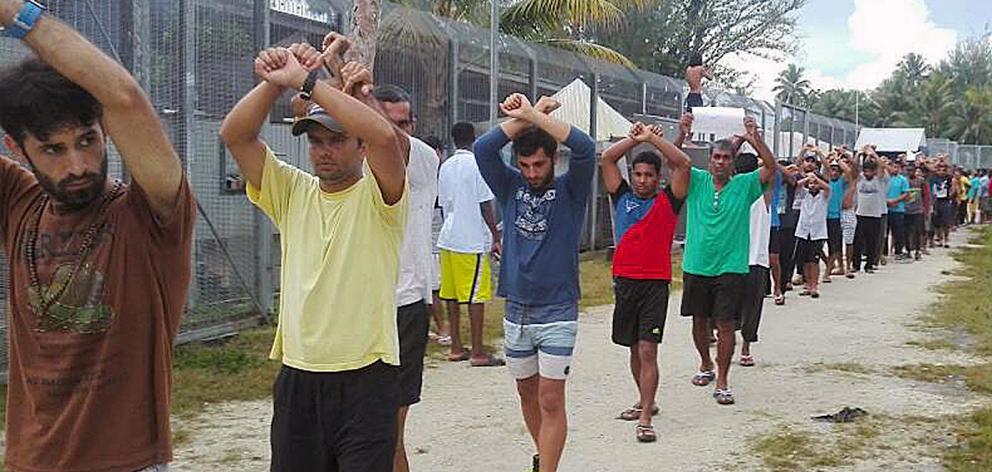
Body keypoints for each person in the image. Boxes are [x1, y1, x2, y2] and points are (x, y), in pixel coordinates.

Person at [0, 2, 195, 471]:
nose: (77, 166)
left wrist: (17, 14)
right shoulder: (17, 202)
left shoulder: (151, 214)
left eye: (87, 139)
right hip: (31, 461)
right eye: (52, 149)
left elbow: (125, 98)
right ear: (15, 148)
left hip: (126, 463)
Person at [220, 41, 408, 471]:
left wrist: (308, 81)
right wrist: (275, 81)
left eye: (337, 140)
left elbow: (383, 136)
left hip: (366, 376)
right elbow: (236, 135)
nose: (324, 150)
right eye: (316, 140)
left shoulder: (380, 198)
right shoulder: (293, 192)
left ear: (359, 148)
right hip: (299, 374)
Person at [475, 93, 595, 472]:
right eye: (524, 165)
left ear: (552, 160)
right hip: (516, 309)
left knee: (549, 398)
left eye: (538, 165)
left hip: (558, 308)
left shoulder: (571, 190)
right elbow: (483, 148)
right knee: (526, 392)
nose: (531, 172)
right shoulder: (510, 186)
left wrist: (535, 117)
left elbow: (585, 147)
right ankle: (544, 454)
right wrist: (528, 118)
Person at [363, 83, 441, 472]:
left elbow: (389, 140)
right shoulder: (357, 161)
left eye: (404, 122)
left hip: (403, 306)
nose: (398, 130)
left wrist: (355, 93)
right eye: (391, 121)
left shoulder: (423, 158)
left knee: (389, 431)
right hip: (358, 306)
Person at [674, 113, 776, 406]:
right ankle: (705, 364)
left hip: (731, 266)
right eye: (716, 157)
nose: (720, 161)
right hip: (696, 263)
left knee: (727, 324)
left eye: (725, 157)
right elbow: (674, 161)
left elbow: (770, 167)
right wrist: (682, 133)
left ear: (733, 161)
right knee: (699, 321)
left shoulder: (745, 185)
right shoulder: (697, 180)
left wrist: (755, 138)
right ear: (710, 160)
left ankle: (722, 380)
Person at [601, 122, 689, 443]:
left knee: (648, 349)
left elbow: (684, 164)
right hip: (624, 282)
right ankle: (643, 400)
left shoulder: (669, 201)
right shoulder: (621, 197)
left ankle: (647, 417)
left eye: (648, 175)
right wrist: (632, 139)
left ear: (658, 178)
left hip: (654, 284)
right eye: (637, 174)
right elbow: (608, 160)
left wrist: (652, 139)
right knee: (634, 350)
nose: (641, 180)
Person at [437, 121, 504, 366]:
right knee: (476, 296)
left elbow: (444, 203)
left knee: (452, 295)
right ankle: (477, 352)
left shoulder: (445, 166)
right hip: (470, 240)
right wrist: (495, 237)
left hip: (448, 237)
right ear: (474, 138)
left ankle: (456, 347)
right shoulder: (477, 164)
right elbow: (485, 203)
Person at [734, 153, 771, 367]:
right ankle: (745, 347)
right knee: (751, 306)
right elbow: (770, 165)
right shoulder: (735, 192)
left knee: (733, 305)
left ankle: (740, 344)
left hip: (749, 258)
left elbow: (770, 167)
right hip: (750, 259)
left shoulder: (760, 192)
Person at [793, 170, 831, 297]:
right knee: (804, 260)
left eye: (815, 184)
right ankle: (807, 285)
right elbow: (797, 185)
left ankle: (814, 286)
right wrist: (807, 179)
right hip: (803, 231)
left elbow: (827, 187)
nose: (813, 186)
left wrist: (816, 178)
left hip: (818, 232)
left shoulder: (824, 195)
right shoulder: (804, 194)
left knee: (814, 261)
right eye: (811, 184)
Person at [852, 152, 890, 274]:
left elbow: (881, 166)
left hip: (875, 215)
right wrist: (858, 155)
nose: (868, 173)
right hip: (860, 214)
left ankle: (870, 264)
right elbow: (854, 168)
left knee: (872, 241)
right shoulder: (860, 178)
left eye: (870, 171)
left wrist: (873, 154)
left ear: (874, 171)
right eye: (866, 170)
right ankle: (856, 265)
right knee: (857, 241)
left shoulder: (880, 179)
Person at [824, 154, 853, 281]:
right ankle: (832, 265)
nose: (833, 172)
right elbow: (824, 169)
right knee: (826, 246)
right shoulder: (826, 181)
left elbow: (848, 171)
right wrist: (828, 159)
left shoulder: (841, 182)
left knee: (835, 246)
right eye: (831, 169)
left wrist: (839, 159)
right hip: (824, 217)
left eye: (835, 170)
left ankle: (827, 272)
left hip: (837, 216)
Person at [838, 153, 860, 278]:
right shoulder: (837, 179)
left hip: (848, 212)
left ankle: (848, 266)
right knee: (836, 241)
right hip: (836, 212)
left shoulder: (853, 178)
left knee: (848, 241)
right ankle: (840, 266)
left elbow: (852, 169)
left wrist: (842, 158)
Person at [886, 160, 911, 261]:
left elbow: (906, 193)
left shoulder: (903, 179)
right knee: (884, 232)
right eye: (893, 167)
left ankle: (898, 251)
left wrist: (895, 200)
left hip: (898, 209)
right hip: (885, 208)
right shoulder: (885, 178)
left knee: (898, 232)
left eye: (897, 167)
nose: (894, 169)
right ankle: (883, 252)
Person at [905, 165, 929, 261]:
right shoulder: (905, 181)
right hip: (906, 210)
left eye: (912, 171)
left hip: (918, 210)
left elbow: (926, 195)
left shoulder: (921, 181)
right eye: (908, 170)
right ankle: (908, 250)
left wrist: (925, 209)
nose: (910, 172)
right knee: (906, 231)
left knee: (917, 231)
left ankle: (918, 250)